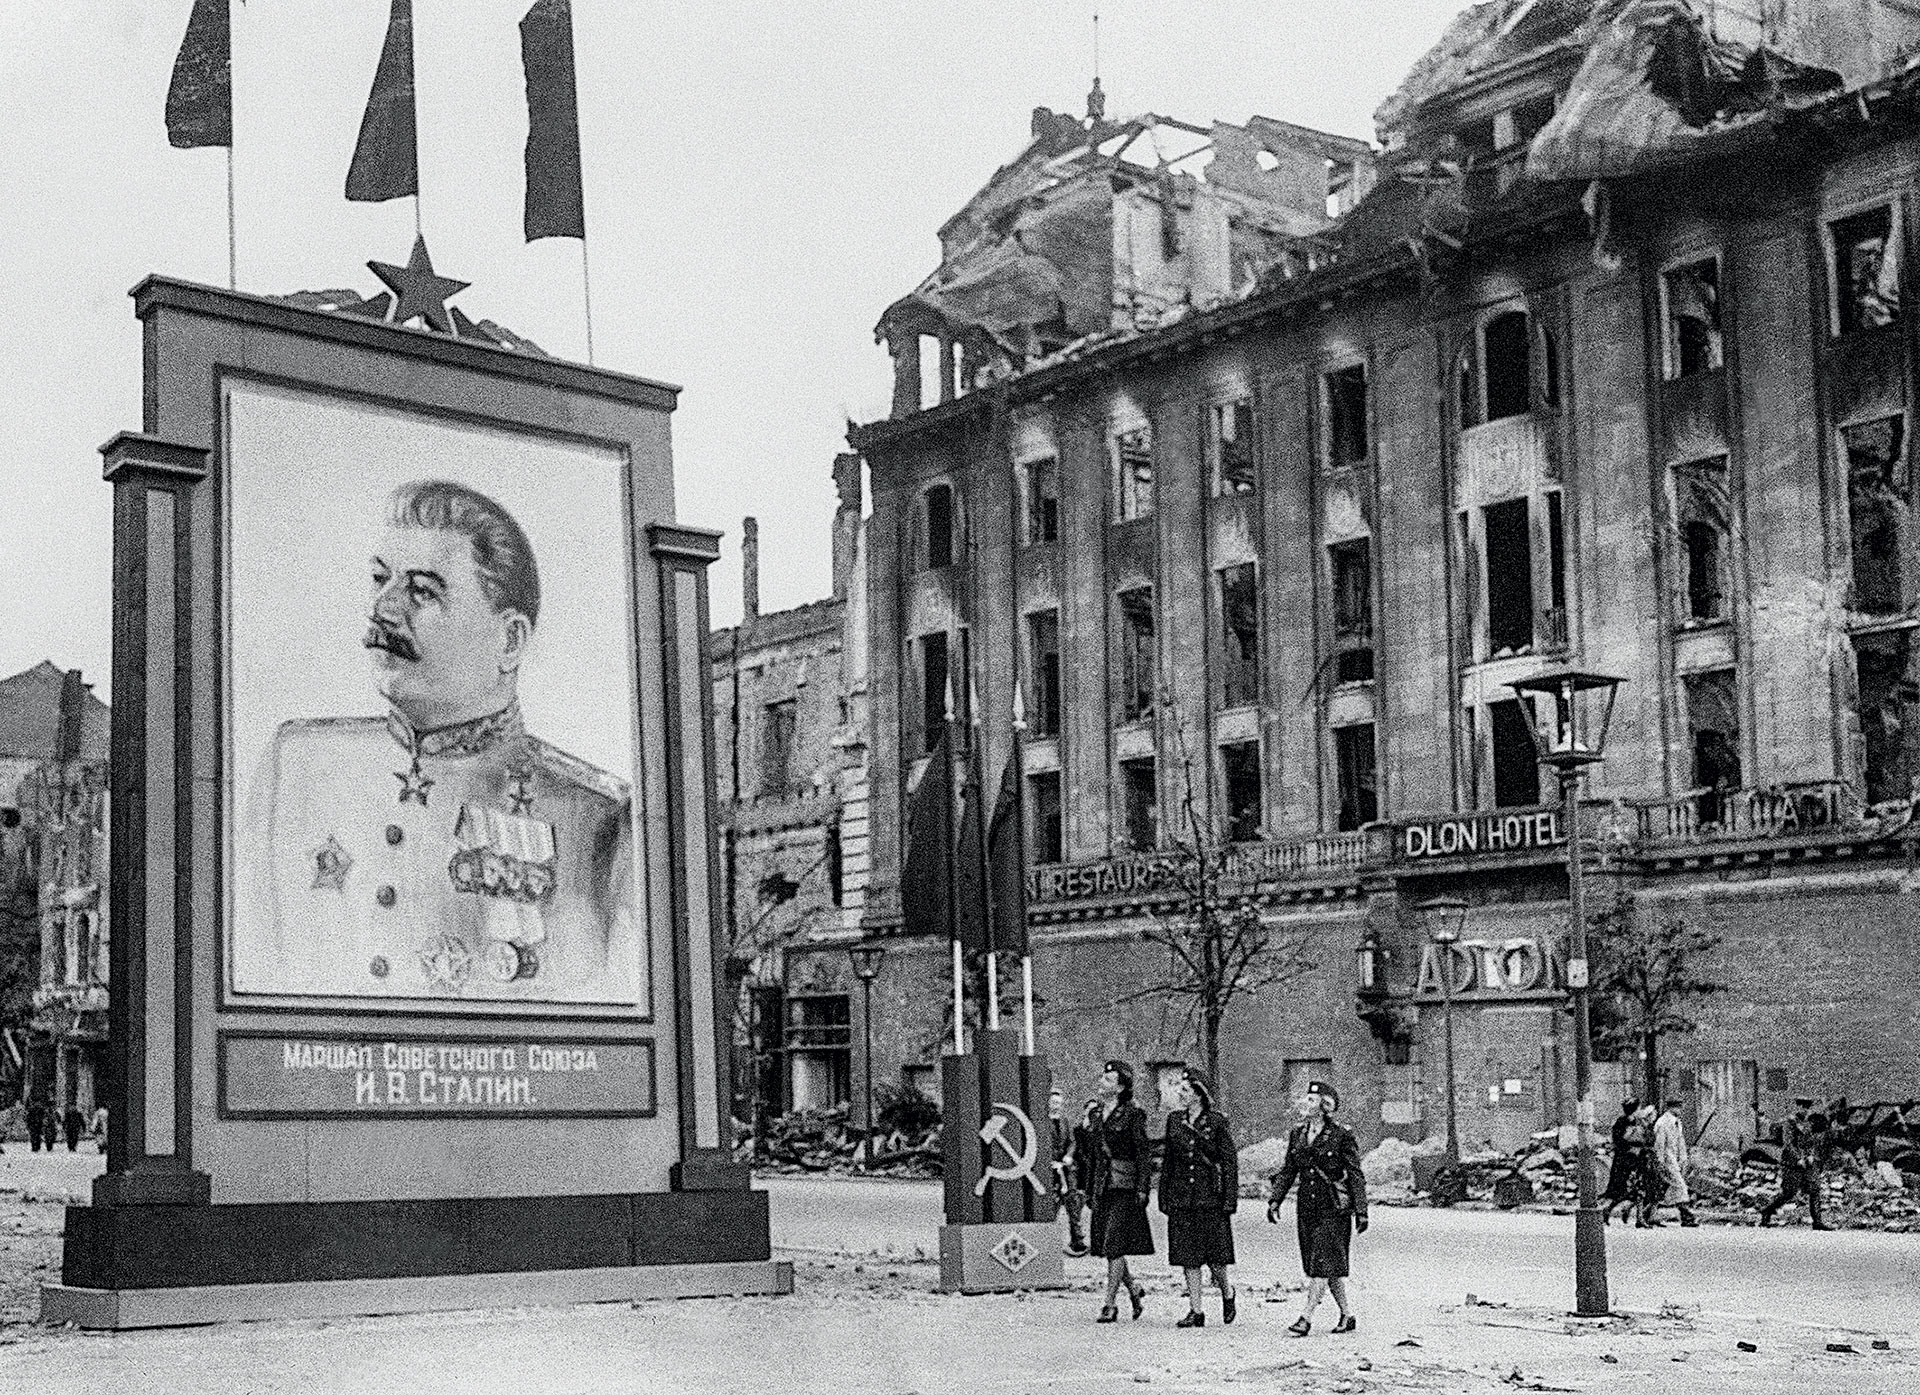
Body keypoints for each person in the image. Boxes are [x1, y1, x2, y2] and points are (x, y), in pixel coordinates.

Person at [234, 480, 638, 1003]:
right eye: (380, 579)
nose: (383, 608)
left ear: (509, 640)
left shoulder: (599, 817)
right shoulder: (293, 768)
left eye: (422, 591)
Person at [1268, 1080, 1368, 1336]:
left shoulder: (1341, 1135)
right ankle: (1347, 1315)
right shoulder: (1298, 1134)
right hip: (1307, 1208)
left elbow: (1355, 1173)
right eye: (1306, 1099)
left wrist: (1361, 1210)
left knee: (1321, 1264)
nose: (1306, 1103)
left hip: (1333, 1208)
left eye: (1311, 1100)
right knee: (1325, 1265)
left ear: (1325, 1106)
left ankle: (1306, 1317)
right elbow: (1289, 1170)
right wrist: (1275, 1199)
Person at [1159, 1066, 1239, 1328]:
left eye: (1185, 1090)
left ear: (1198, 1094)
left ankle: (1227, 1292)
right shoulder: (1174, 1120)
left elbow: (1229, 1161)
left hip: (1209, 1197)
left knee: (1216, 1259)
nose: (1180, 1094)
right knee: (1188, 1256)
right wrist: (1164, 1194)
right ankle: (1196, 1310)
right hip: (1182, 1197)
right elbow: (1169, 1161)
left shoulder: (1216, 1122)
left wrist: (1230, 1199)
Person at [1088, 1059, 1154, 1323]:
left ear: (1120, 1088)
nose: (1101, 1082)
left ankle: (1110, 1304)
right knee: (1108, 1246)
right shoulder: (1095, 1115)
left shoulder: (1133, 1114)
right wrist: (1090, 1189)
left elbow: (1143, 1154)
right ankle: (1134, 1289)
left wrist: (1143, 1188)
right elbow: (1093, 1156)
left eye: (1108, 1080)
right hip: (1103, 1185)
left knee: (1114, 1245)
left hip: (1125, 1186)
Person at [1759, 1097, 1831, 1229]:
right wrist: (1798, 1159)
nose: (1804, 1109)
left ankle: (1817, 1222)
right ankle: (1767, 1211)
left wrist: (1811, 1155)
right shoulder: (1790, 1122)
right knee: (1789, 1192)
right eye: (1802, 1106)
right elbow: (1788, 1143)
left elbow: (1811, 1142)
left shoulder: (1808, 1124)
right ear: (1797, 1107)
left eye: (1807, 1107)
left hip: (1807, 1162)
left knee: (1815, 1189)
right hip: (1791, 1163)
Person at [1646, 1098, 1698, 1227]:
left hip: (1674, 1160)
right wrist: (1660, 1162)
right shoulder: (1663, 1122)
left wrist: (1683, 1159)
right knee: (1680, 1186)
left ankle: (1647, 1214)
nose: (1680, 1110)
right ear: (1671, 1108)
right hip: (1666, 1160)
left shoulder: (1677, 1122)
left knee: (1664, 1190)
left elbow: (1680, 1142)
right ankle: (1686, 1216)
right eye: (1678, 1107)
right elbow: (1660, 1144)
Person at [1048, 1088, 1088, 1257]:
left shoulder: (1065, 1121)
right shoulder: (1042, 1122)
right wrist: (1050, 1161)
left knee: (1073, 1204)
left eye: (1059, 1103)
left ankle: (1077, 1241)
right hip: (1049, 1170)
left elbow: (1072, 1142)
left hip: (1066, 1170)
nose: (1056, 1106)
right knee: (1051, 1205)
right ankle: (1047, 1241)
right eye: (1054, 1102)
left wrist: (1069, 1155)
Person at [1600, 1097, 1643, 1225]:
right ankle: (1608, 1210)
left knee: (1638, 1188)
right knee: (1625, 1189)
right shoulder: (1621, 1122)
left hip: (1637, 1159)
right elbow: (1618, 1140)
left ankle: (1637, 1217)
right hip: (1624, 1160)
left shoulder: (1637, 1121)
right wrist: (1629, 1146)